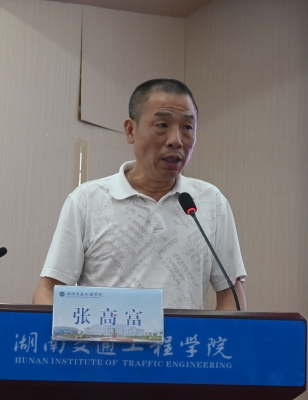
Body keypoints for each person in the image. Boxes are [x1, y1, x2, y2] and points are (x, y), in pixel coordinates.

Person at [33, 79, 246, 310]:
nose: (176, 140)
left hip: (185, 336)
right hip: (106, 334)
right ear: (130, 130)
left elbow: (231, 294)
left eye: (187, 127)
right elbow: (49, 290)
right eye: (162, 125)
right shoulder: (86, 201)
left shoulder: (210, 202)